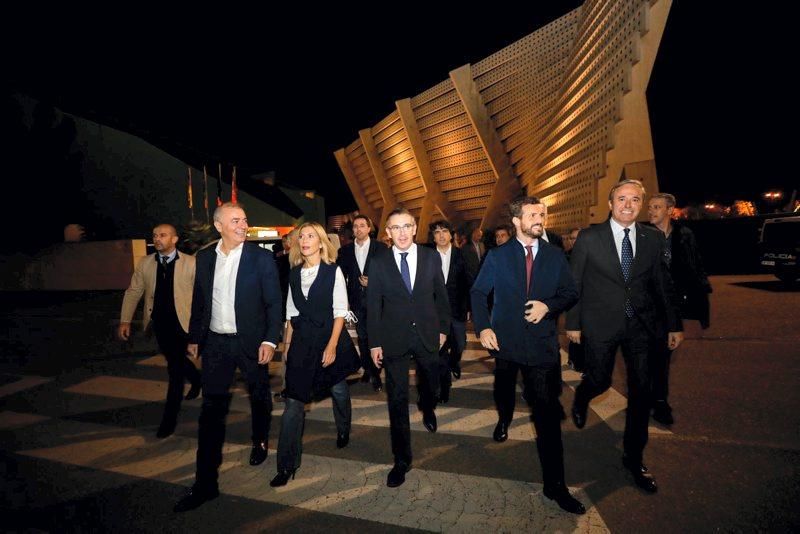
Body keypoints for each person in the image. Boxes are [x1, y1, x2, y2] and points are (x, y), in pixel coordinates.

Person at [567, 179, 683, 494]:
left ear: (641, 204)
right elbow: (574, 284)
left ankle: (634, 458)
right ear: (610, 203)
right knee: (600, 380)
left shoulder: (653, 238)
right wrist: (573, 324)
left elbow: (663, 284)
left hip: (642, 327)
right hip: (601, 325)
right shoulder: (590, 238)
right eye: (622, 198)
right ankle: (583, 394)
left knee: (642, 392)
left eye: (634, 199)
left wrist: (674, 324)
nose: (628, 204)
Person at [471, 196, 584, 515]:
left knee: (547, 415)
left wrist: (549, 306)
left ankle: (555, 486)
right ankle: (504, 418)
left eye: (542, 213)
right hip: (505, 344)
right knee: (504, 390)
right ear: (517, 221)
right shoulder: (497, 256)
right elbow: (478, 293)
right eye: (533, 214)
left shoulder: (554, 255)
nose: (540, 218)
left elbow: (570, 292)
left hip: (541, 348)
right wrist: (483, 328)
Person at [174, 202, 282, 512]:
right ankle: (205, 484)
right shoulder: (205, 258)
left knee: (259, 395)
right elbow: (200, 301)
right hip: (216, 346)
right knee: (211, 412)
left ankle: (260, 438)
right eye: (235, 220)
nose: (242, 225)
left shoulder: (261, 258)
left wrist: (269, 340)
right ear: (219, 226)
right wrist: (195, 338)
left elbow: (274, 304)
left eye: (245, 220)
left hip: (252, 344)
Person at [270, 222, 360, 487]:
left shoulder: (333, 271)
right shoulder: (294, 273)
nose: (305, 240)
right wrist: (286, 347)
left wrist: (332, 346)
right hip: (302, 344)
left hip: (329, 339)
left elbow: (340, 311)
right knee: (293, 404)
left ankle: (344, 429)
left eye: (311, 236)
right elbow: (290, 313)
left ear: (321, 243)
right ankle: (286, 465)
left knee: (340, 390)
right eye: (302, 237)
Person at [367, 207, 451, 488]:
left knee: (432, 386)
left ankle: (427, 407)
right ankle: (401, 459)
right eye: (395, 228)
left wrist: (443, 329)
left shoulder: (430, 257)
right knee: (396, 399)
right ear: (388, 233)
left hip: (427, 335)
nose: (402, 232)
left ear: (415, 228)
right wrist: (374, 343)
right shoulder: (378, 262)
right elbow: (373, 306)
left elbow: (441, 296)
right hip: (394, 339)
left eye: (407, 226)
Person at [119, 223, 201, 438]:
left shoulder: (191, 263)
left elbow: (201, 299)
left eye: (162, 235)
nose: (157, 239)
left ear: (174, 239)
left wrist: (199, 330)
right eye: (154, 235)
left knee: (174, 370)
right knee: (176, 360)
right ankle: (197, 379)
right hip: (160, 325)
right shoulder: (146, 263)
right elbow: (134, 291)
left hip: (184, 324)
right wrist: (125, 320)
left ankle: (169, 420)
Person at [648, 193, 711, 424]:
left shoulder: (684, 235)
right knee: (646, 357)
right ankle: (650, 399)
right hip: (648, 307)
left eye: (657, 207)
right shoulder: (643, 236)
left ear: (669, 210)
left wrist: (699, 298)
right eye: (650, 207)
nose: (651, 211)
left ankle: (660, 402)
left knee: (662, 356)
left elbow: (694, 267)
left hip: (672, 306)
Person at [337, 215, 387, 392]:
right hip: (357, 301)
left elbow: (388, 274)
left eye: (362, 226)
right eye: (356, 226)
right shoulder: (345, 251)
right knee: (363, 338)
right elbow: (340, 278)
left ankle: (377, 371)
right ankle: (369, 369)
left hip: (378, 301)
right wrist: (343, 301)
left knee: (377, 337)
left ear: (369, 228)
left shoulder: (381, 248)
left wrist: (372, 281)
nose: (358, 229)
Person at [430, 221, 471, 394]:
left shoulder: (463, 255)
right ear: (433, 237)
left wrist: (469, 307)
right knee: (439, 349)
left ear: (451, 235)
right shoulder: (427, 256)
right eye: (437, 232)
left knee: (459, 344)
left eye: (444, 231)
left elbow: (469, 282)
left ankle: (455, 361)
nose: (441, 235)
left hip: (457, 309)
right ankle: (444, 383)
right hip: (434, 311)